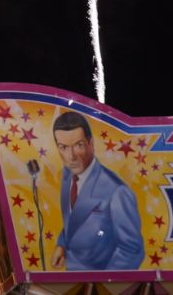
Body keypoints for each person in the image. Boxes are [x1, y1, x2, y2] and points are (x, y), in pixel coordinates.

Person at [51, 111, 144, 271]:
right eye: (63, 147)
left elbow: (132, 250)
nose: (71, 156)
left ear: (91, 144)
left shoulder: (117, 192)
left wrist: (104, 282)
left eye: (79, 145)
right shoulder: (68, 176)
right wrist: (62, 244)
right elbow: (74, 219)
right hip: (73, 277)